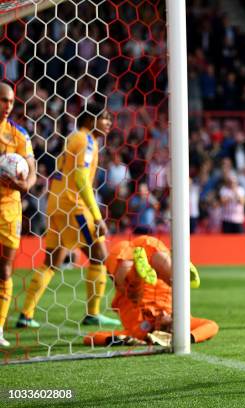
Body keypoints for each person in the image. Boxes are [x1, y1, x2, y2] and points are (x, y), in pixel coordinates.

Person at [18, 103, 121, 328]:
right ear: (89, 120)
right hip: (74, 206)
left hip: (56, 204)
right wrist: (97, 216)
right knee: (100, 255)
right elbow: (81, 179)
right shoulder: (87, 140)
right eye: (104, 118)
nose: (109, 123)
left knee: (51, 262)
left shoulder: (73, 137)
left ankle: (25, 314)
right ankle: (93, 313)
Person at [84, 235, 218, 347]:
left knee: (128, 283)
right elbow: (211, 326)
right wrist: (188, 337)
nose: (167, 315)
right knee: (171, 277)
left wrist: (118, 340)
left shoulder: (139, 332)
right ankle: (177, 273)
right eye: (172, 319)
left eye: (165, 326)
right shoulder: (183, 319)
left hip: (130, 280)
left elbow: (90, 337)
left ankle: (137, 272)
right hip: (157, 266)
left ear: (158, 332)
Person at [0, 82, 37, 346]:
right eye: (3, 100)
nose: (7, 106)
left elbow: (32, 170)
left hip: (9, 210)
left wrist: (26, 184)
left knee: (4, 270)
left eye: (11, 101)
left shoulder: (19, 133)